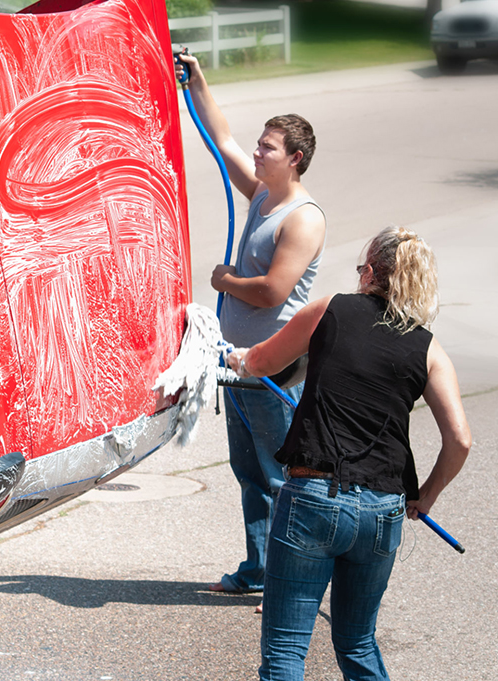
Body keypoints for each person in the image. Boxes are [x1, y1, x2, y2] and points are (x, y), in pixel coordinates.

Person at [227, 226, 472, 680]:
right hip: (383, 509)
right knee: (357, 643)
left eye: (362, 268)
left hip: (314, 498)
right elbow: (459, 439)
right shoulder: (428, 347)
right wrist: (426, 496)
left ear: (372, 272)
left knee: (285, 649)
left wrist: (229, 357)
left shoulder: (330, 310)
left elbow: (260, 363)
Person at [174, 54, 328, 596]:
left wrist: (224, 281)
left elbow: (273, 291)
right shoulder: (263, 193)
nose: (257, 152)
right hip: (238, 366)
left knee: (285, 478)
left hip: (274, 368)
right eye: (260, 144)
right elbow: (221, 137)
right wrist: (196, 81)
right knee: (251, 474)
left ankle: (293, 582)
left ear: (295, 159)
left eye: (269, 147)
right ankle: (259, 569)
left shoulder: (302, 217)